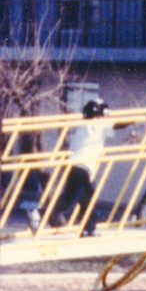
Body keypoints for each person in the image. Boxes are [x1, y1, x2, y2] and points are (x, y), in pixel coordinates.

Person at [48, 98, 109, 235]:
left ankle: (89, 229)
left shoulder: (84, 124)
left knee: (87, 199)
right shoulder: (97, 124)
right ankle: (42, 214)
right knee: (70, 199)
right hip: (80, 168)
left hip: (77, 167)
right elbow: (120, 124)